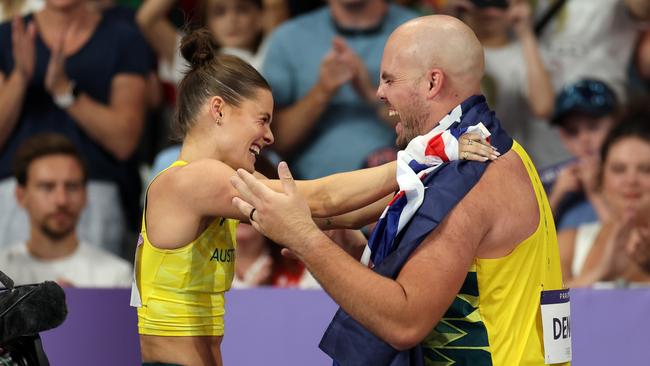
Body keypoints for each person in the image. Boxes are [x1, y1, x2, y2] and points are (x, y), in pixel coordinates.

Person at [130, 26, 496, 366]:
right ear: (219, 109)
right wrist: (421, 155)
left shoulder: (219, 184)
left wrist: (424, 183)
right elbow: (320, 200)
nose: (271, 137)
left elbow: (328, 216)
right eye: (263, 119)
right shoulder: (193, 180)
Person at [231, 15, 568, 365]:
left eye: (389, 79)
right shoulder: (493, 148)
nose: (379, 92)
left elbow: (405, 321)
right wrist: (354, 253)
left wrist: (305, 239)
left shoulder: (466, 175)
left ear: (432, 82)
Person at [0, 0, 151, 256]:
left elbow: (125, 140)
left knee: (90, 295)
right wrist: (19, 77)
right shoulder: (7, 37)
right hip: (15, 195)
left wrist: (65, 92)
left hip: (95, 195)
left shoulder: (124, 38)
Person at [262, 0, 417, 179]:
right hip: (316, 190)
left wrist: (371, 94)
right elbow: (273, 140)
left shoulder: (417, 32)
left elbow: (436, 127)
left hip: (405, 182)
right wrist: (322, 91)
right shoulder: (287, 38)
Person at [0, 134, 132, 287]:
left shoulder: (117, 276)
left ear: (85, 195)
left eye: (72, 187)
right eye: (47, 187)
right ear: (21, 195)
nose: (61, 200)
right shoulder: (2, 269)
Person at [558, 110, 650, 287]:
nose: (631, 180)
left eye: (646, 169)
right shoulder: (568, 244)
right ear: (602, 178)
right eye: (618, 169)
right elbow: (545, 311)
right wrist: (601, 272)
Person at [540, 79, 620, 230]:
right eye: (572, 131)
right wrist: (556, 197)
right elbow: (532, 244)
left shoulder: (633, 170)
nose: (584, 139)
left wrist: (594, 192)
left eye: (593, 127)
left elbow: (626, 239)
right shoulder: (552, 180)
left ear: (616, 123)